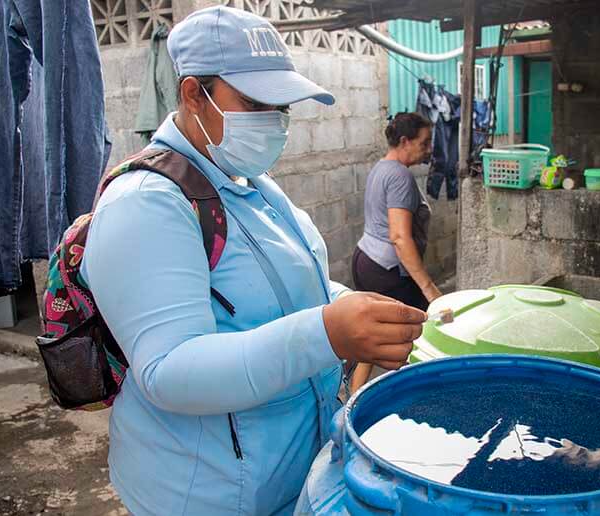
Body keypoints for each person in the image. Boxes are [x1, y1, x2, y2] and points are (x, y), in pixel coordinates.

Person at [79, 7, 425, 516]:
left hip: (283, 479)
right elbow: (169, 369)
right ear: (194, 94)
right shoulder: (145, 204)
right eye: (254, 102)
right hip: (208, 496)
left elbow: (290, 289)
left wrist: (353, 306)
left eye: (281, 106)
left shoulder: (254, 186)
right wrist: (327, 332)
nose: (273, 121)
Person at [349, 112, 442, 391]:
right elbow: (400, 237)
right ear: (404, 141)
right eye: (424, 143)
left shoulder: (381, 167)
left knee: (374, 331)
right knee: (417, 329)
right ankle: (416, 397)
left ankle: (352, 393)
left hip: (365, 259)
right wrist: (428, 288)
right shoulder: (400, 176)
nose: (428, 150)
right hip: (388, 269)